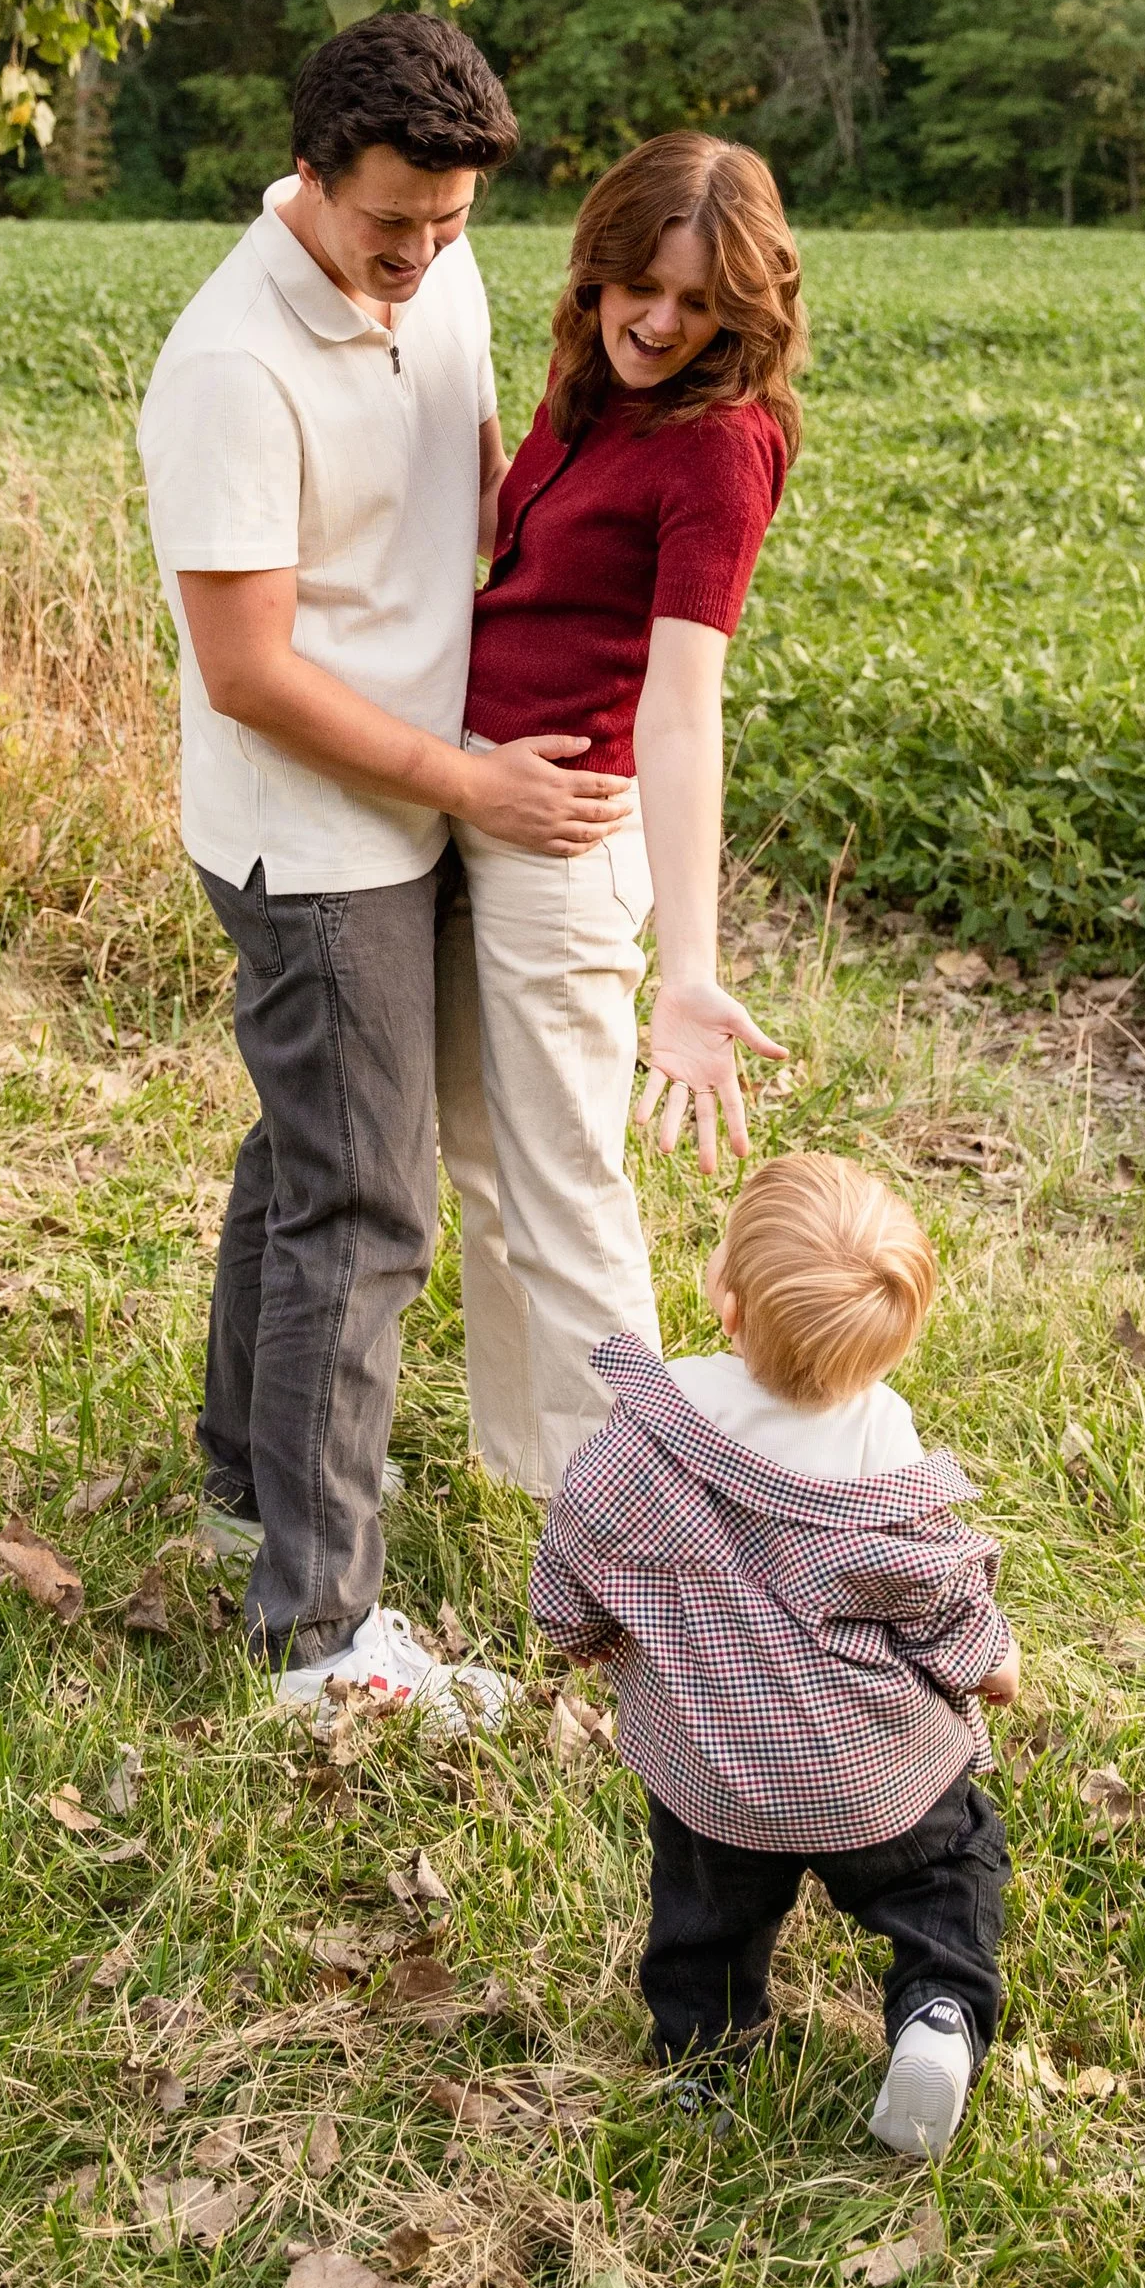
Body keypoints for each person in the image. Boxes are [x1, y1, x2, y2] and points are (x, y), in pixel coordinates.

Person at [136, 11, 631, 1704]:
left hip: (429, 801)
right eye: (387, 226)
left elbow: (472, 490)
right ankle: (322, 1632)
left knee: (304, 1158)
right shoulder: (229, 366)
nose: (421, 257)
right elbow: (251, 671)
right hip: (312, 837)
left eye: (452, 222)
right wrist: (472, 785)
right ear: (309, 171)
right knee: (368, 1205)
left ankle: (238, 1481)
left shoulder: (450, 274)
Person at [434, 132, 804, 1497]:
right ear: (597, 270)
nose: (658, 320)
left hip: (567, 836)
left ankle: (643, 1535)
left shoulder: (721, 445)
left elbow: (682, 703)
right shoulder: (589, 385)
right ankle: (539, 1477)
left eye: (696, 302)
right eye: (637, 283)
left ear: (743, 309)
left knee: (568, 1188)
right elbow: (514, 540)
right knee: (482, 1158)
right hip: (473, 789)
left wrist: (691, 969)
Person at [530, 1154, 1017, 2155]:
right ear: (889, 1349)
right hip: (871, 1772)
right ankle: (936, 2013)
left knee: (704, 1919)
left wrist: (582, 1634)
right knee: (947, 1867)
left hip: (714, 1773)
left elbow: (576, 1534)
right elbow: (938, 1597)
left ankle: (703, 2068)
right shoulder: (883, 1451)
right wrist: (992, 1664)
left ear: (727, 1304)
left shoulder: (652, 1429)